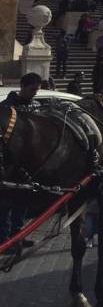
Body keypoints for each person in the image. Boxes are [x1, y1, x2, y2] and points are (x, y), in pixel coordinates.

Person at [1, 73, 42, 245]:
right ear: (23, 87)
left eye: (37, 90)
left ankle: (18, 236)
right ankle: (4, 241)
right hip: (9, 164)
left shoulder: (36, 106)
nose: (34, 94)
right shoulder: (5, 108)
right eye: (32, 90)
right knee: (5, 206)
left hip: (28, 164)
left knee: (22, 204)